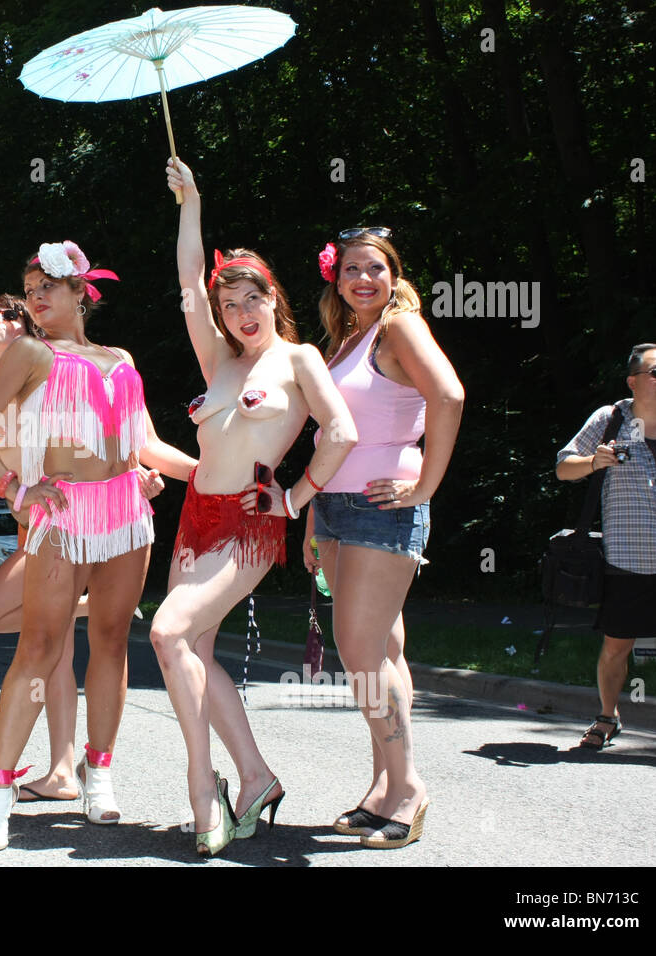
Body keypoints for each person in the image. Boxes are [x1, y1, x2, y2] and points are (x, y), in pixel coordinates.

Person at [153, 160, 357, 856]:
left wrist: (294, 499)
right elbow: (187, 281)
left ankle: (199, 786)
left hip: (248, 525)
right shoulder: (219, 364)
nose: (242, 313)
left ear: (275, 298)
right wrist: (192, 203)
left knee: (166, 634)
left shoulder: (298, 361)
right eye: (230, 302)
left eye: (253, 298)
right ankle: (256, 776)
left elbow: (342, 432)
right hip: (194, 521)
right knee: (195, 655)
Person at [0, 240, 166, 852]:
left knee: (109, 640)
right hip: (63, 509)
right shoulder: (28, 352)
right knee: (40, 646)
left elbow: (141, 440)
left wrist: (202, 473)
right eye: (30, 289)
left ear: (81, 291)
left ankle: (97, 775)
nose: (37, 296)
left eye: (49, 283)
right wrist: (14, 487)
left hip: (126, 510)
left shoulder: (120, 357)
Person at [303, 227, 464, 849]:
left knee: (360, 648)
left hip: (381, 509)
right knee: (386, 651)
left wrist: (426, 485)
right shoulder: (346, 340)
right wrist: (316, 520)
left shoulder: (400, 326)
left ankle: (410, 786)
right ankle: (382, 788)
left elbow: (448, 395)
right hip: (338, 511)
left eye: (375, 268)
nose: (363, 279)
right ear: (335, 281)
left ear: (394, 276)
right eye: (350, 270)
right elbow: (330, 434)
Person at [556, 343, 656, 761]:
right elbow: (563, 468)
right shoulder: (609, 419)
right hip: (629, 553)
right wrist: (594, 462)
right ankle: (607, 717)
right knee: (617, 645)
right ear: (633, 381)